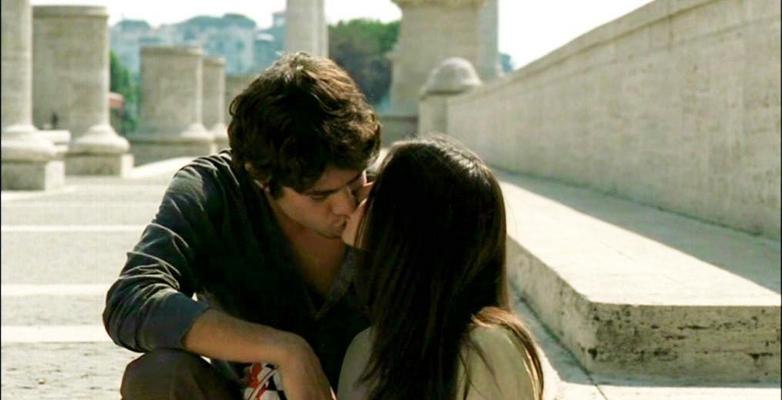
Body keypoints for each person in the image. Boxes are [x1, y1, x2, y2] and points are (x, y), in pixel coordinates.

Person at [102, 52, 381, 400]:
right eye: (319, 196)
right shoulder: (216, 191)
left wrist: (394, 252)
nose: (346, 206)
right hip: (251, 392)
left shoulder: (389, 196)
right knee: (157, 376)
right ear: (262, 178)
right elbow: (132, 299)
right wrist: (286, 350)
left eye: (354, 184)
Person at [337, 135, 545, 400]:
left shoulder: (487, 350)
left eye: (380, 186)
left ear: (410, 226)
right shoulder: (364, 349)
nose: (361, 193)